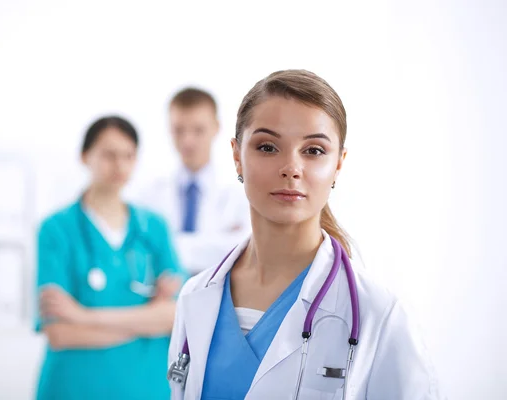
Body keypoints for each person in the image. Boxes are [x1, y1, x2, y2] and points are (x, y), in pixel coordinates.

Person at [167, 70, 442, 399]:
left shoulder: (378, 315)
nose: (291, 168)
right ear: (237, 156)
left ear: (338, 165)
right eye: (268, 147)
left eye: (313, 151)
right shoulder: (196, 297)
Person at [34, 116, 186, 400]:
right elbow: (60, 334)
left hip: (146, 388)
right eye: (109, 155)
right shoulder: (56, 230)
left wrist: (82, 316)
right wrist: (145, 323)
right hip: (73, 388)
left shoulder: (153, 228)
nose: (120, 165)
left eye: (128, 155)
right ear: (84, 156)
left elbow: (174, 317)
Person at [134, 88, 250, 274]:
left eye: (198, 130)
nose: (187, 141)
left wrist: (166, 245)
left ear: (216, 127)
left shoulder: (241, 192)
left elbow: (244, 251)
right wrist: (215, 243)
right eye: (179, 130)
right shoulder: (148, 195)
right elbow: (139, 253)